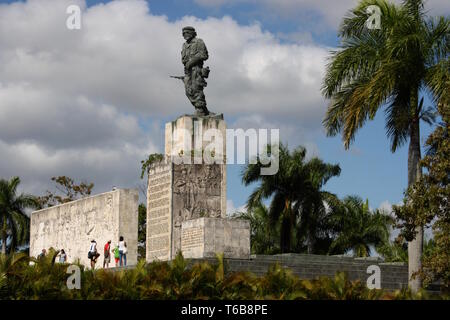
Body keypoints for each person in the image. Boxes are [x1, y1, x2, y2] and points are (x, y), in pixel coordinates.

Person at [181, 26, 210, 116]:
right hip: (187, 70)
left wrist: (192, 62)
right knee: (188, 90)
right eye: (184, 33)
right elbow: (183, 59)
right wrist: (187, 64)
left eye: (187, 33)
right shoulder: (185, 45)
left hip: (196, 69)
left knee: (196, 88)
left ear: (193, 33)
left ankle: (200, 109)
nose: (185, 35)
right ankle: (204, 110)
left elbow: (204, 55)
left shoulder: (198, 42)